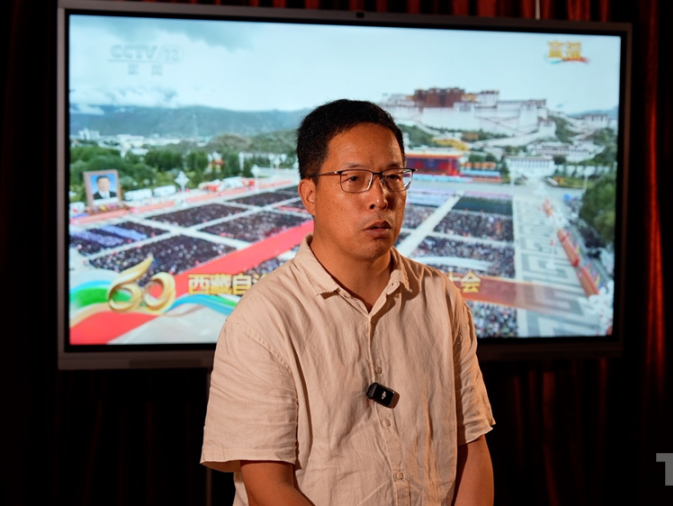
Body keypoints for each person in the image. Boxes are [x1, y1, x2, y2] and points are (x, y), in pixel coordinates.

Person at [201, 99, 495, 506]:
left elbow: (472, 448)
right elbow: (269, 487)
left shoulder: (440, 297)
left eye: (393, 176)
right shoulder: (262, 321)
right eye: (354, 179)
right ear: (310, 194)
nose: (380, 197)